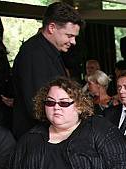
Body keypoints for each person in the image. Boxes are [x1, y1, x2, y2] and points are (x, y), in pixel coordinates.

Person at [11, 1, 83, 138]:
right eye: (69, 36)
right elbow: (36, 105)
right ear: (51, 28)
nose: (73, 42)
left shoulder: (48, 51)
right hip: (37, 137)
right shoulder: (33, 53)